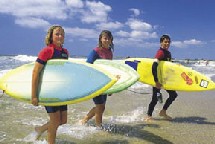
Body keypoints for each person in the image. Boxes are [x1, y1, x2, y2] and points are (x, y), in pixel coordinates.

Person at [31, 25, 69, 144]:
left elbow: (64, 72)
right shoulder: (47, 51)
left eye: (62, 34)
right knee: (55, 121)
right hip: (49, 90)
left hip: (61, 90)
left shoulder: (65, 52)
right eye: (57, 34)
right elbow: (36, 71)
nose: (60, 36)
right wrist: (34, 95)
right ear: (51, 36)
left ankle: (40, 129)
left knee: (63, 120)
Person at [81, 30, 114, 129]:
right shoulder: (95, 51)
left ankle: (84, 120)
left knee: (101, 107)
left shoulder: (109, 52)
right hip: (96, 82)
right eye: (105, 38)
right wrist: (89, 81)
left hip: (105, 82)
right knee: (100, 107)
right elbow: (88, 66)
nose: (107, 40)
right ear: (101, 39)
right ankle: (99, 128)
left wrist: (111, 86)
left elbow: (109, 69)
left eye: (109, 38)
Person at [145, 34, 178, 122]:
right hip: (158, 79)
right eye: (165, 42)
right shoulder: (160, 52)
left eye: (168, 42)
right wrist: (156, 81)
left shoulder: (168, 53)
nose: (167, 43)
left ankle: (163, 112)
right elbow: (154, 66)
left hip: (165, 79)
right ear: (161, 43)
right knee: (155, 98)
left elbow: (167, 66)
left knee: (173, 95)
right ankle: (148, 115)